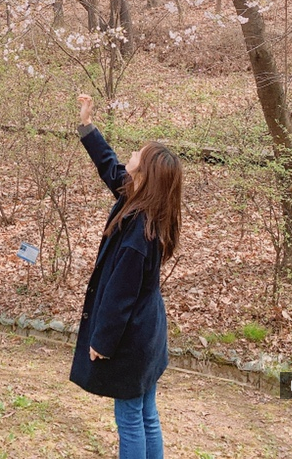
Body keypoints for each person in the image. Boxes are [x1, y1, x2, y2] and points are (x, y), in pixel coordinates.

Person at [69, 93, 182, 459]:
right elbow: (109, 166)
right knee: (147, 414)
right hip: (147, 333)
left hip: (130, 338)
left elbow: (120, 297)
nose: (129, 156)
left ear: (145, 172)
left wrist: (101, 342)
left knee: (131, 419)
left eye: (137, 153)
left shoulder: (138, 232)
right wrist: (87, 126)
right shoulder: (144, 203)